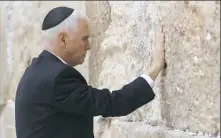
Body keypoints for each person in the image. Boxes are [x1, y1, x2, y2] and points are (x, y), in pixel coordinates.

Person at [15, 6, 166, 138]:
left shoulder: (34, 71)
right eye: (84, 39)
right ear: (63, 39)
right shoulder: (59, 78)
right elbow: (112, 103)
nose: (88, 47)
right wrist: (155, 67)